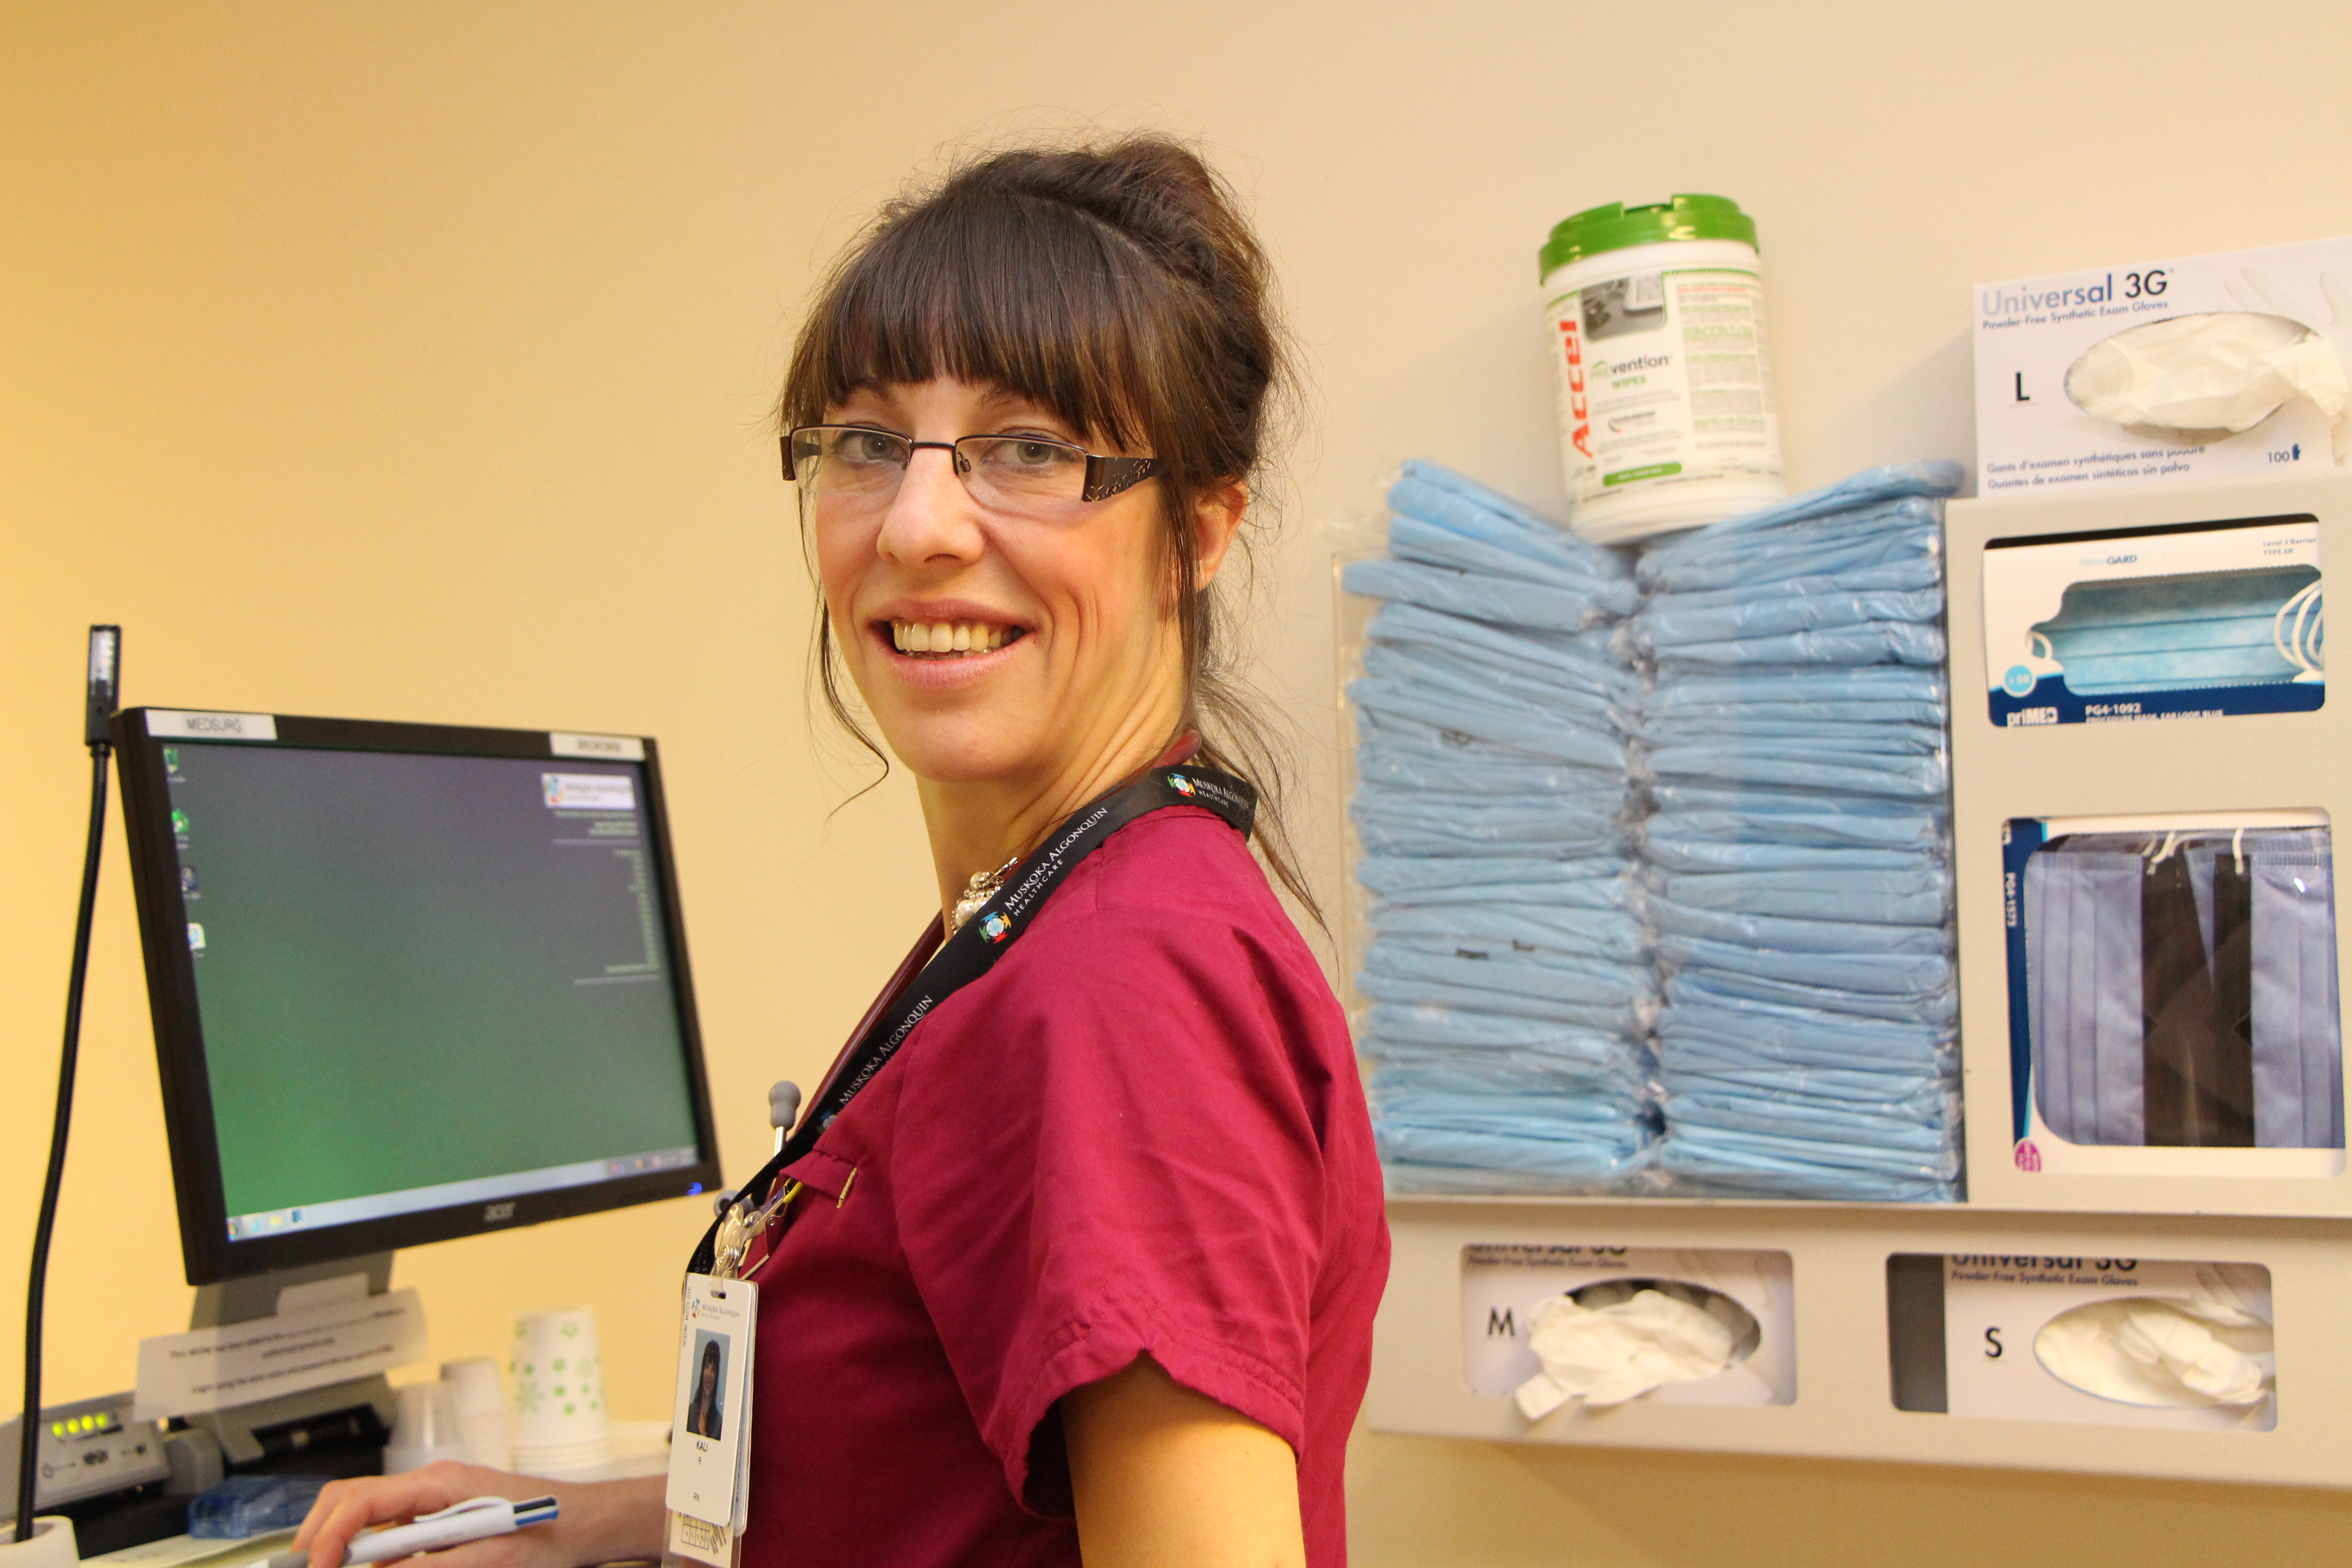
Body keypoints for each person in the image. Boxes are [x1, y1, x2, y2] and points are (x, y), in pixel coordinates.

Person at [292, 134, 1387, 1568]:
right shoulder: (1038, 919)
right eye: (869, 443)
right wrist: (586, 1523)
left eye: (1032, 449)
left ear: (1198, 531)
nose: (922, 525)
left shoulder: (1124, 980)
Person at [683, 1339, 723, 1441]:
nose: (709, 1374)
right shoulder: (690, 1413)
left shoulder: (718, 1424)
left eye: (713, 1369)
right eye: (707, 1367)